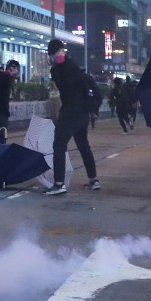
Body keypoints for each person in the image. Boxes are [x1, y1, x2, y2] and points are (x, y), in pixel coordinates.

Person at [43, 39, 100, 195]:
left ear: (61, 52)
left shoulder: (60, 69)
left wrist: (58, 65)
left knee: (59, 145)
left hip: (71, 112)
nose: (54, 57)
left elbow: (65, 87)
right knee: (83, 145)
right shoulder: (74, 66)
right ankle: (93, 180)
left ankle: (59, 184)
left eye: (55, 54)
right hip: (83, 113)